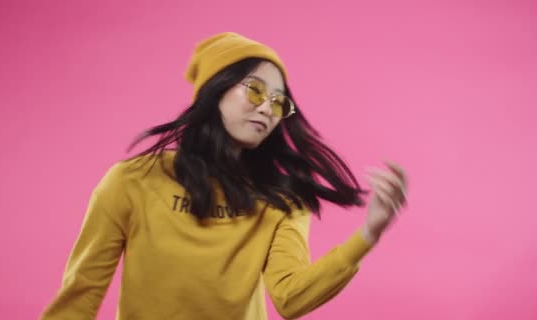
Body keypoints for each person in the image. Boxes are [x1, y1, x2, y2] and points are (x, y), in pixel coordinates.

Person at [40, 32, 408, 320]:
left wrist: (368, 235)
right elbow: (81, 294)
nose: (267, 107)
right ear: (215, 90)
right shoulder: (131, 182)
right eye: (256, 90)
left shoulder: (281, 201)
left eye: (279, 102)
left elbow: (291, 297)